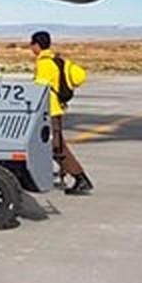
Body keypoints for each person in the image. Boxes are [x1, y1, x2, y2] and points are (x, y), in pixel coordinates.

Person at [30, 30, 93, 195]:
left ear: (36, 45)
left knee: (55, 147)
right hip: (56, 109)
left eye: (32, 45)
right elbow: (79, 76)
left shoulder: (43, 63)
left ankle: (80, 178)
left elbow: (39, 89)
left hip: (47, 111)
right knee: (57, 145)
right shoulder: (59, 61)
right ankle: (73, 175)